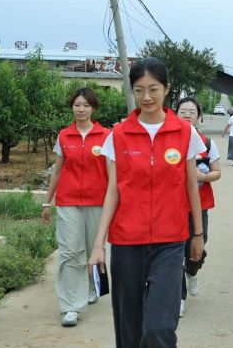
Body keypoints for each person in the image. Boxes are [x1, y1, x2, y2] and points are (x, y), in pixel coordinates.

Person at [87, 58, 206, 348]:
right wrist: (98, 244)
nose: (147, 97)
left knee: (159, 328)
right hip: (127, 242)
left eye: (153, 89)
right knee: (129, 327)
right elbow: (113, 191)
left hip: (170, 241)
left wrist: (198, 234)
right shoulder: (118, 135)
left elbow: (191, 185)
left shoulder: (184, 133)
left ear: (167, 89)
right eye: (139, 90)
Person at [42, 87, 110, 327]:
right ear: (72, 107)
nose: (81, 109)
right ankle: (70, 306)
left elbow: (113, 174)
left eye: (86, 105)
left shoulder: (106, 136)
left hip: (98, 202)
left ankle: (91, 286)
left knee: (93, 250)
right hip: (68, 201)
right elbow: (57, 171)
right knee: (70, 252)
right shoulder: (64, 136)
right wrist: (47, 201)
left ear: (94, 109)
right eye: (77, 105)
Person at [175, 96, 222, 316]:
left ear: (199, 117)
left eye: (191, 112)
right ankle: (179, 297)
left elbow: (217, 172)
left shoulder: (207, 143)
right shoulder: (169, 141)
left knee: (196, 249)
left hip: (199, 204)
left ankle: (192, 272)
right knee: (174, 252)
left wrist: (201, 176)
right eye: (182, 111)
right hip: (173, 205)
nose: (187, 115)